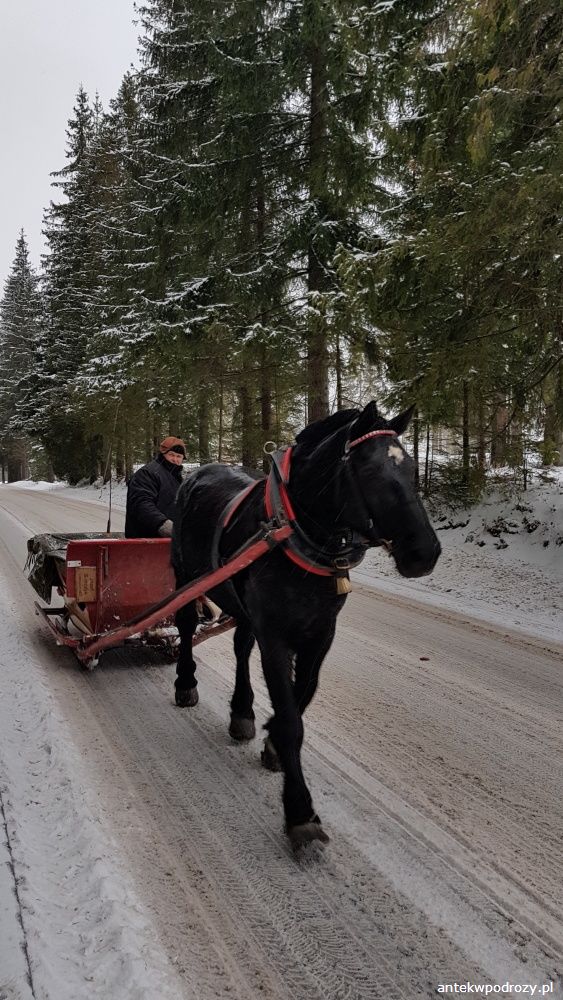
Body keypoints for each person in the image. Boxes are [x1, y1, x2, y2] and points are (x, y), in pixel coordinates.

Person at [125, 436, 186, 538]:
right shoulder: (147, 474)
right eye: (171, 455)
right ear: (163, 454)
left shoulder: (178, 479)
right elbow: (141, 504)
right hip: (145, 540)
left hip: (170, 541)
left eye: (179, 456)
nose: (175, 459)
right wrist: (163, 524)